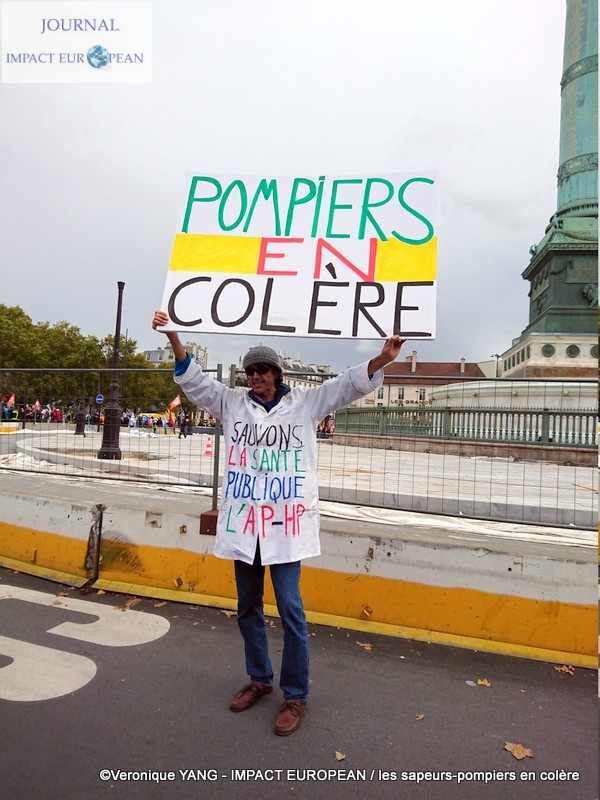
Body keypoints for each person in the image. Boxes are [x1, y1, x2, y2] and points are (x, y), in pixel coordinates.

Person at [152, 309, 404, 736]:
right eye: (251, 371)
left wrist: (381, 359)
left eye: (263, 370)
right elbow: (194, 381)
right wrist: (175, 335)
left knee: (290, 610)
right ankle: (259, 679)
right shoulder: (231, 404)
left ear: (277, 373)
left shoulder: (305, 404)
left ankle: (296, 695)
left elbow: (344, 386)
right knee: (247, 608)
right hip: (245, 525)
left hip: (284, 527)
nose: (256, 377)